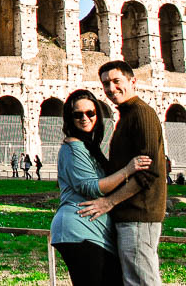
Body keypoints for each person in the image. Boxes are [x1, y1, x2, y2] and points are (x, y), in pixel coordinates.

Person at [79, 60, 168, 286]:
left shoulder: (141, 114)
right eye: (106, 84)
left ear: (132, 81)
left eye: (117, 81)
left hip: (139, 213)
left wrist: (109, 202)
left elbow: (148, 174)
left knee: (141, 282)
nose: (111, 89)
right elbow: (121, 168)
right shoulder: (127, 116)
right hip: (130, 214)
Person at [51, 89, 151, 286]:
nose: (84, 118)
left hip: (91, 231)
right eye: (77, 114)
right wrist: (128, 170)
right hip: (80, 230)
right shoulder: (73, 146)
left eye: (90, 113)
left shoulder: (88, 147)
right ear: (69, 119)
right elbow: (91, 187)